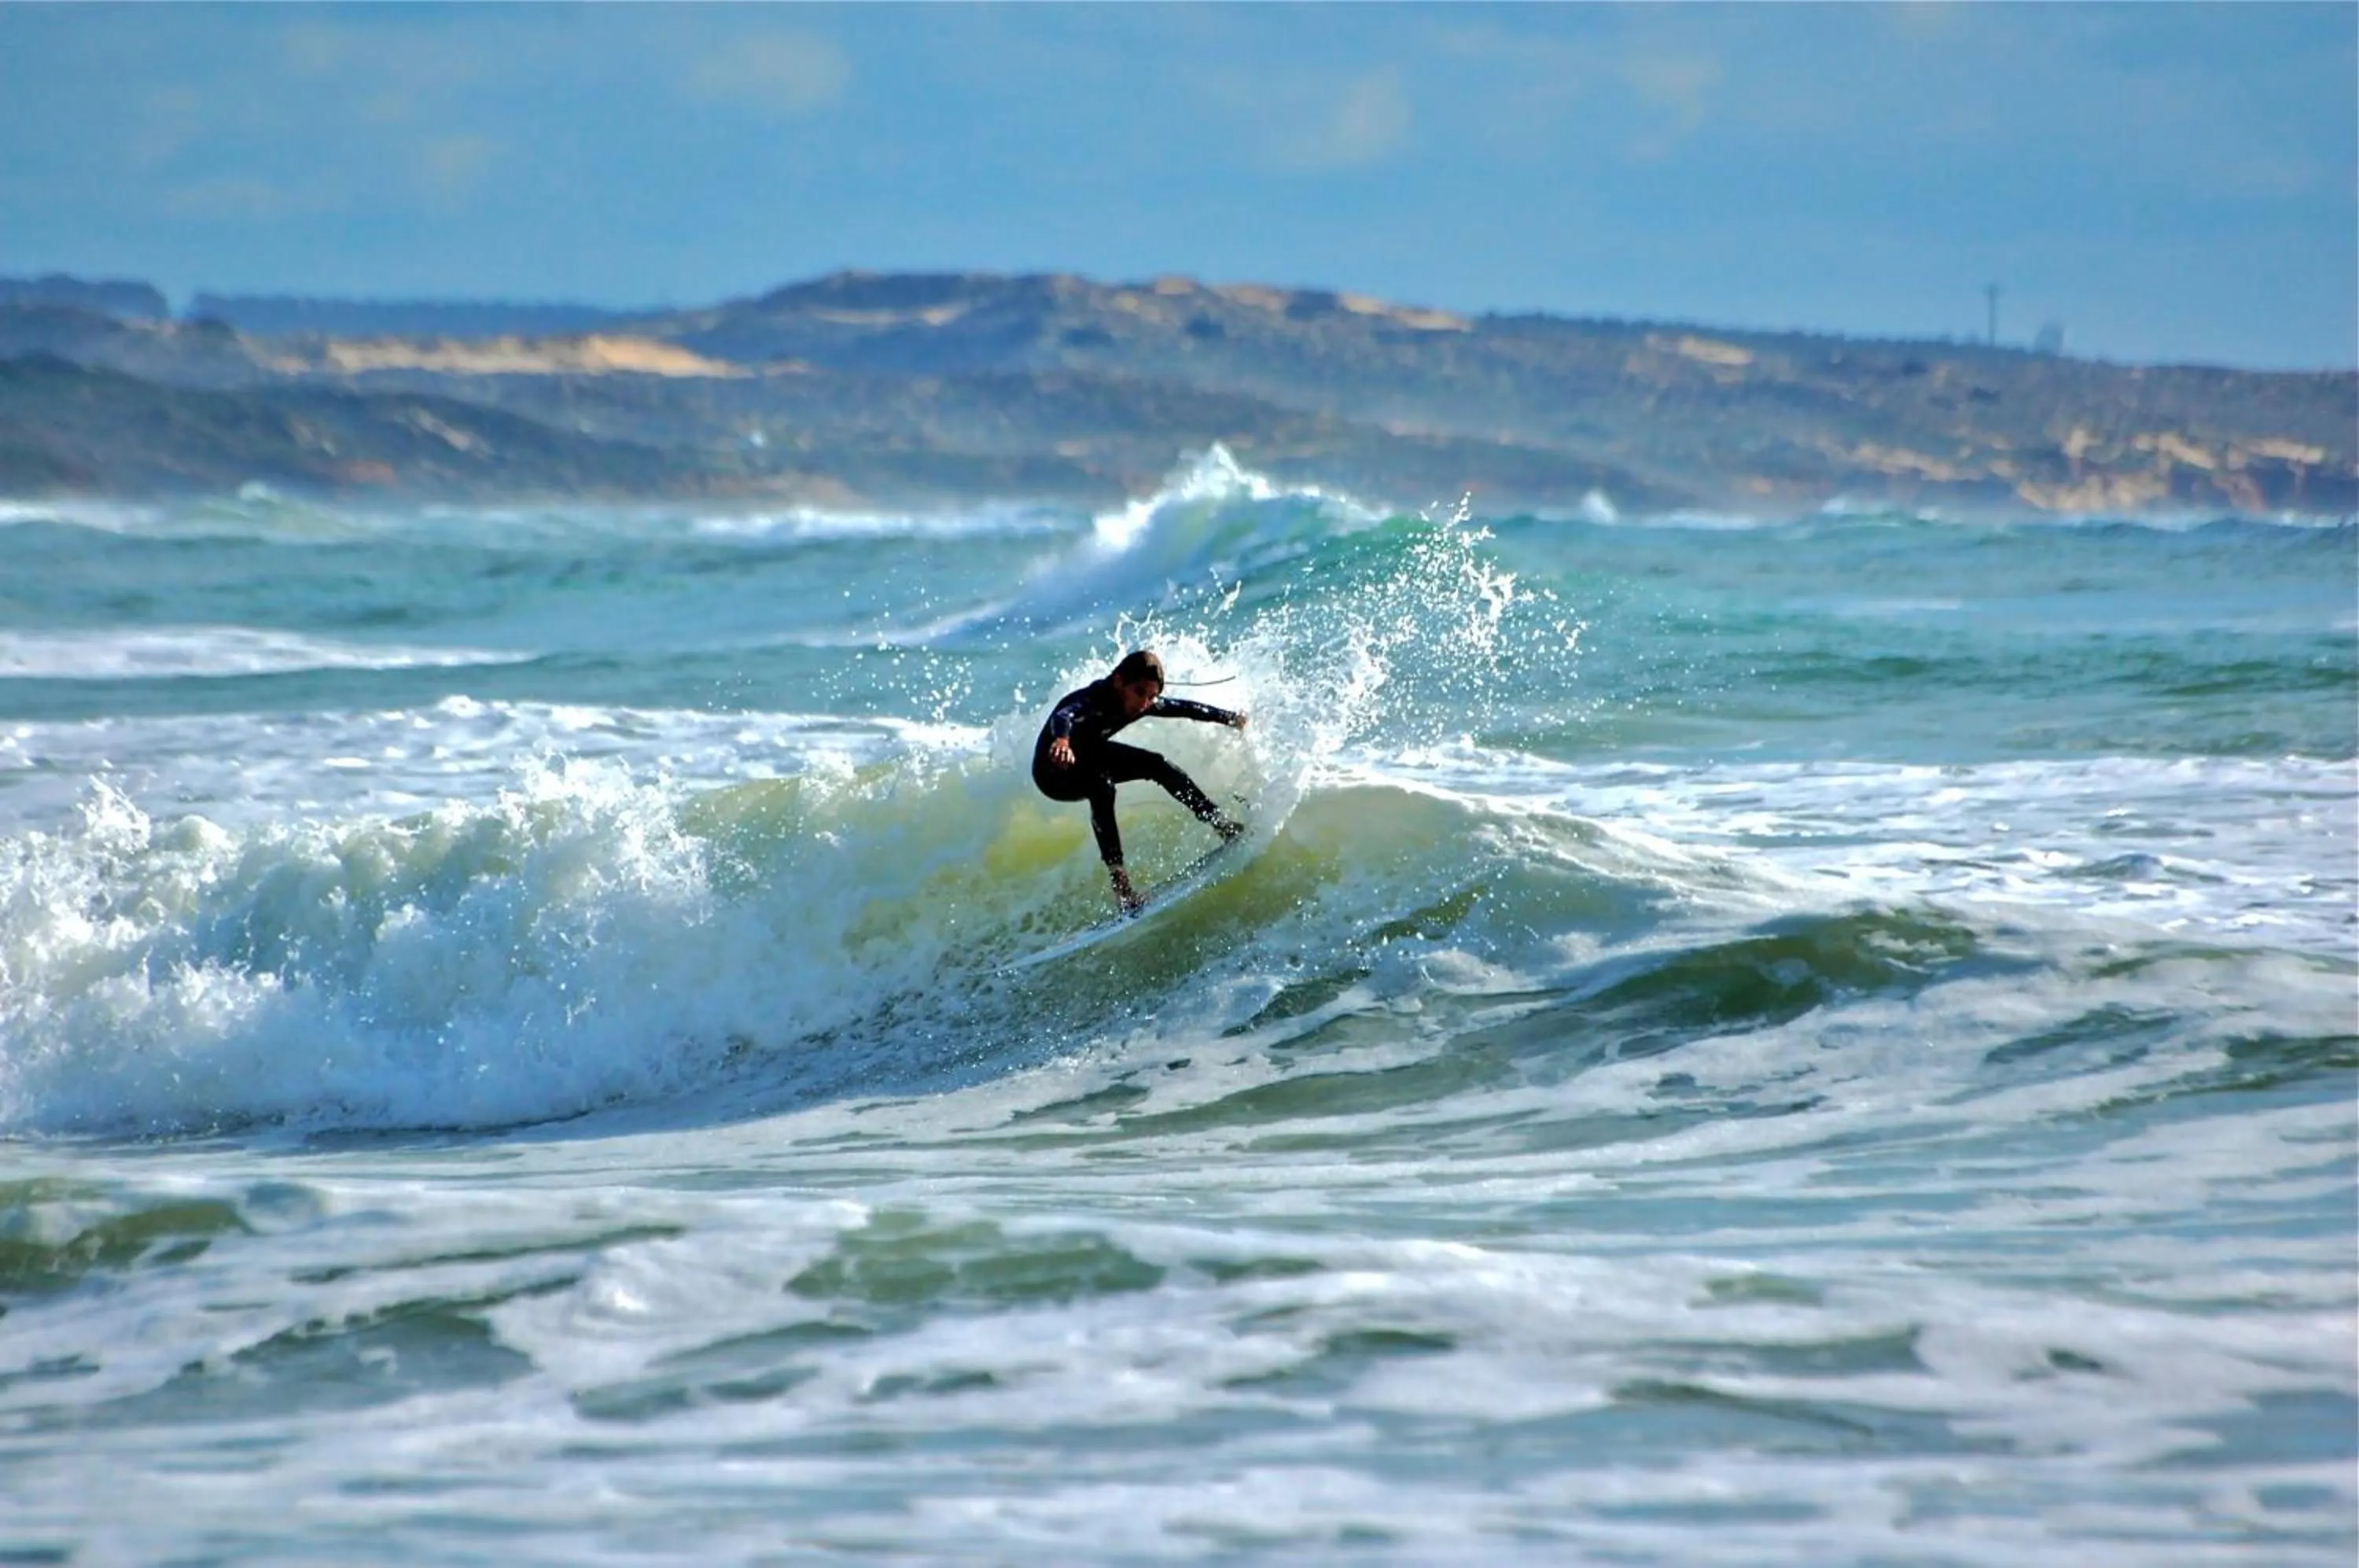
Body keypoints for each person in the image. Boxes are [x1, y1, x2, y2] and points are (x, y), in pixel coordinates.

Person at [1032, 650, 1247, 911]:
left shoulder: (1141, 701)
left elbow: (1184, 708)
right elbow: (1063, 715)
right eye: (1140, 693)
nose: (1145, 703)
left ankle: (1221, 824)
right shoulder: (1093, 699)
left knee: (1158, 765)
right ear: (1119, 681)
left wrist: (1230, 718)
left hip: (1091, 755)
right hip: (1054, 774)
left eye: (1152, 696)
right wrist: (1062, 741)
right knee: (1102, 788)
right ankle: (1122, 889)